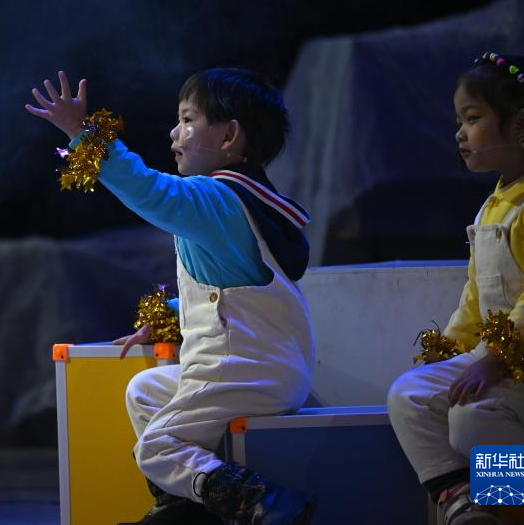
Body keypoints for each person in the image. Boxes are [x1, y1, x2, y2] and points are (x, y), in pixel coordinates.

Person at [26, 68, 316, 524]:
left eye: (187, 120)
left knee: (156, 447)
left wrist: (84, 133)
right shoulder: (240, 203)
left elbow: (149, 191)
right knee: (145, 391)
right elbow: (230, 292)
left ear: (229, 136)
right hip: (262, 369)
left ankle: (265, 503)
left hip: (243, 371)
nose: (173, 133)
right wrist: (172, 316)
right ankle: (182, 506)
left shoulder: (217, 198)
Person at [387, 52, 524, 525]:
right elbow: (475, 302)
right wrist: (450, 354)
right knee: (410, 394)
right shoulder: (493, 205)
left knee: (473, 417)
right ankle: (461, 499)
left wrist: (494, 360)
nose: (460, 132)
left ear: (521, 125)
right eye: (459, 120)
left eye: (473, 118)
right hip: (503, 360)